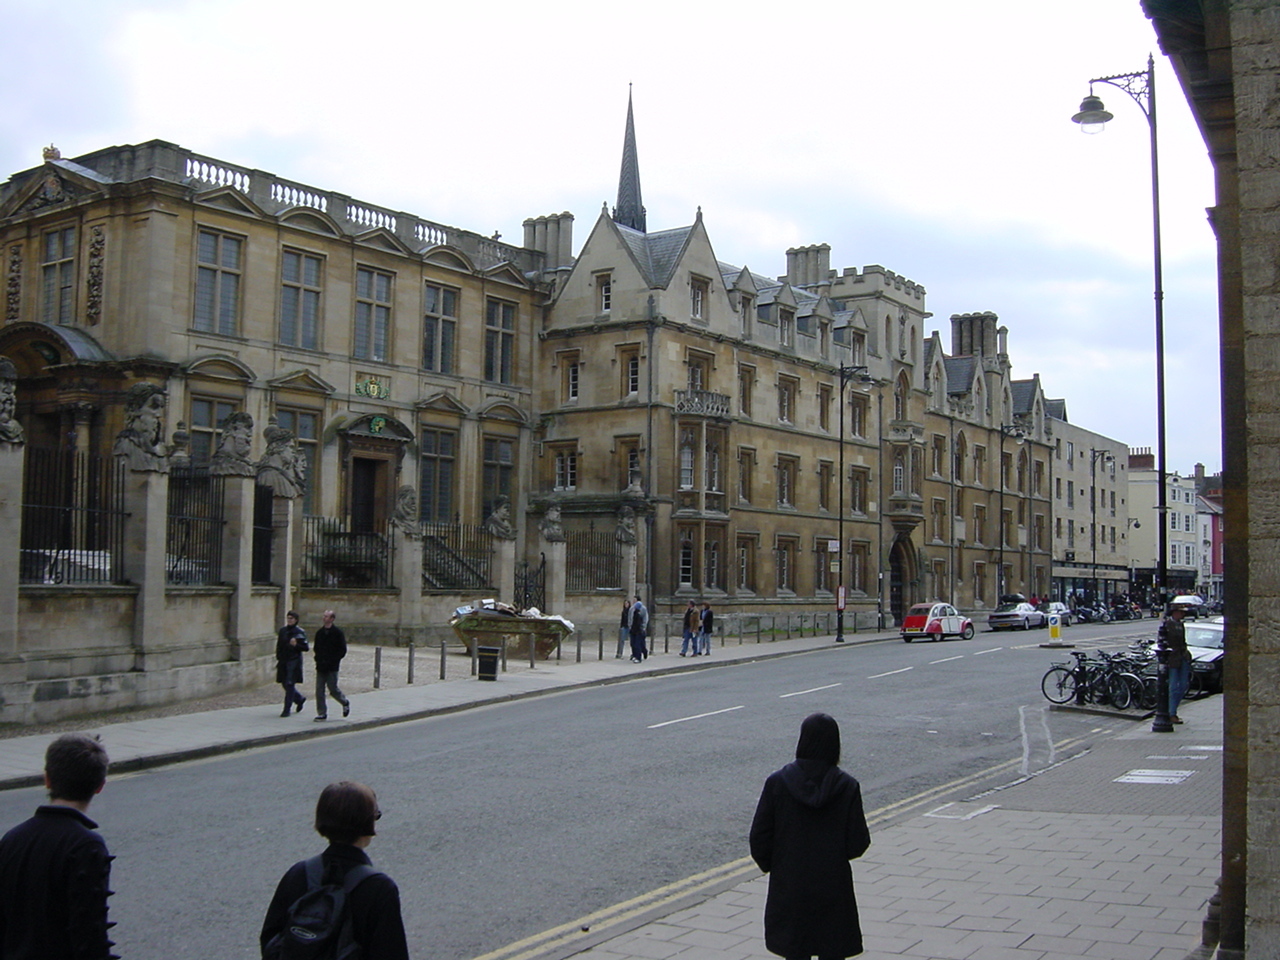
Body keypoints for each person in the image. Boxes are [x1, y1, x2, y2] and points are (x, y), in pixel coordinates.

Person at [750, 713, 871, 960]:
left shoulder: (778, 783)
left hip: (790, 884)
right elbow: (858, 841)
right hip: (832, 885)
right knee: (832, 948)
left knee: (795, 950)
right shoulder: (847, 786)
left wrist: (776, 866)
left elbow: (759, 837)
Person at [260, 781, 409, 960]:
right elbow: (390, 952)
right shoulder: (378, 887)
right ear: (367, 822)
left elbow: (270, 937)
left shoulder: (298, 873)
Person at [0, 733, 116, 960]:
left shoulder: (11, 840)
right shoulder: (86, 846)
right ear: (100, 786)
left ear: (47, 779)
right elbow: (89, 935)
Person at [313, 609, 351, 722]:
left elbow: (342, 650)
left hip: (332, 666)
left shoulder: (338, 633)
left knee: (333, 689)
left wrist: (334, 660)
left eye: (327, 617)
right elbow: (316, 648)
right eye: (324, 616)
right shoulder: (319, 633)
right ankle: (322, 713)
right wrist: (318, 659)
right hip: (321, 665)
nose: (324, 618)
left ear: (332, 619)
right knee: (319, 690)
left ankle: (344, 702)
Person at [1161, 601, 1191, 723]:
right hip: (1173, 658)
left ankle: (1173, 709)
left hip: (1183, 657)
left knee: (1183, 685)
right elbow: (1162, 642)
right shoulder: (1167, 625)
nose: (1182, 615)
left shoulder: (1180, 625)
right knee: (1173, 687)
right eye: (1180, 612)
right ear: (1174, 613)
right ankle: (1171, 713)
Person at [276, 610, 309, 717]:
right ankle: (299, 699)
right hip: (283, 660)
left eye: (291, 618)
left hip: (293, 661)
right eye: (288, 618)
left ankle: (287, 709)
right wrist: (278, 657)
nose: (289, 620)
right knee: (284, 683)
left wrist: (296, 645)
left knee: (290, 684)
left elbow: (305, 647)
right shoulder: (283, 631)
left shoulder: (299, 632)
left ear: (296, 620)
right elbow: (279, 645)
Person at [628, 594, 648, 663]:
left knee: (638, 644)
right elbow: (630, 618)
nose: (634, 601)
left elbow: (645, 619)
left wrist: (643, 627)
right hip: (633, 629)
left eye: (635, 600)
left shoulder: (643, 609)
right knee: (633, 643)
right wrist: (630, 626)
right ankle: (634, 654)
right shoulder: (632, 609)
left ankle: (639, 656)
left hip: (639, 630)